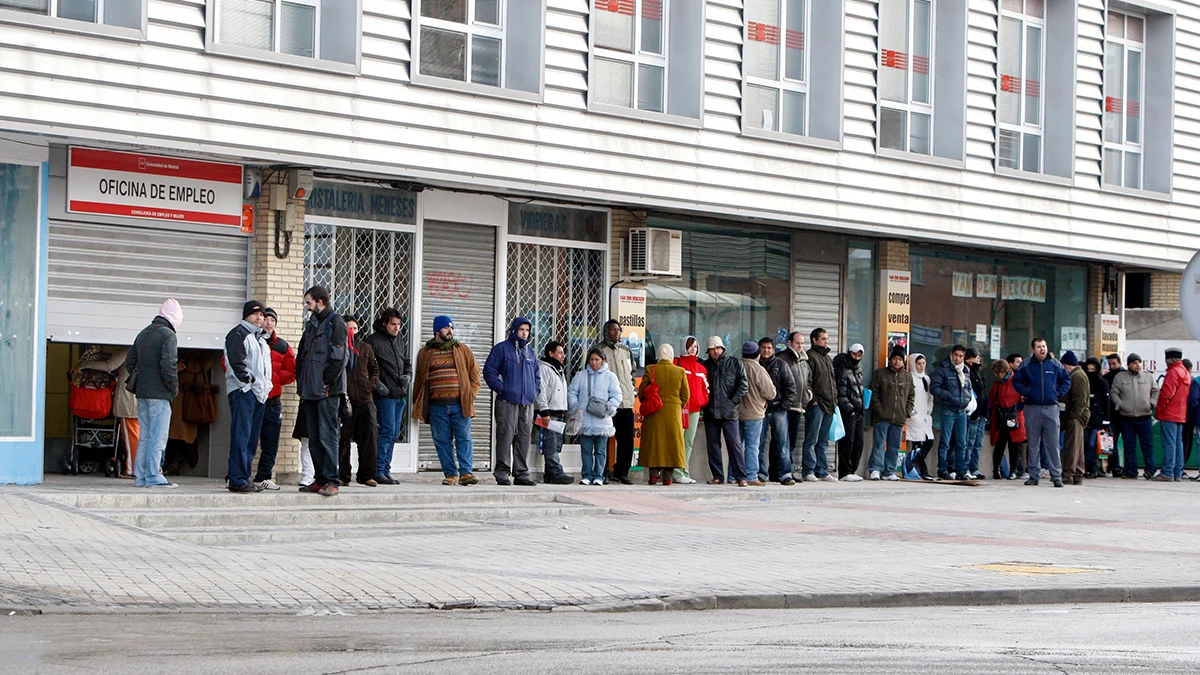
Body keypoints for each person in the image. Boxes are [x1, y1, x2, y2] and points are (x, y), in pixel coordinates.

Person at [413, 315, 482, 486]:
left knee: (464, 438)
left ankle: (466, 472)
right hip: (437, 407)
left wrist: (470, 395)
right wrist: (418, 402)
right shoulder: (425, 353)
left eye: (451, 328)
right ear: (437, 331)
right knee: (442, 441)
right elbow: (420, 379)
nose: (450, 331)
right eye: (446, 328)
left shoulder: (462, 349)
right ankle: (451, 474)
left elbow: (475, 375)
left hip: (460, 405)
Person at [296, 286, 348, 497]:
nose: (307, 307)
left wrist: (327, 383)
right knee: (314, 437)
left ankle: (331, 481)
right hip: (309, 391)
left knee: (328, 436)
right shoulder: (312, 324)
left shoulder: (335, 322)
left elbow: (338, 358)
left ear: (319, 301)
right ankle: (319, 479)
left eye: (309, 303)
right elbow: (302, 355)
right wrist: (302, 383)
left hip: (326, 392)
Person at [123, 298, 182, 488]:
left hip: (142, 393)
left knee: (145, 436)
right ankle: (154, 476)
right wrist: (173, 389)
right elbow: (169, 365)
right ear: (175, 317)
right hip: (160, 394)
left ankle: (140, 478)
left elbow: (130, 362)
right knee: (158, 437)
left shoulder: (144, 333)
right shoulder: (168, 335)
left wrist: (144, 379)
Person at [484, 317, 541, 487]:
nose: (525, 333)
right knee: (505, 436)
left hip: (527, 402)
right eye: (522, 329)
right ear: (514, 330)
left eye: (527, 330)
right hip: (507, 401)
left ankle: (521, 473)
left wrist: (534, 391)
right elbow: (489, 371)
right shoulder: (501, 349)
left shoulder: (530, 352)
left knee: (523, 438)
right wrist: (502, 388)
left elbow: (537, 376)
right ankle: (502, 471)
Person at [223, 300, 272, 493]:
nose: (260, 318)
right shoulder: (239, 334)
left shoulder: (260, 338)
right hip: (244, 392)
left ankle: (244, 477)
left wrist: (265, 387)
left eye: (262, 314)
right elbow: (236, 362)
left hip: (259, 394)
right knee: (241, 436)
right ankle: (237, 478)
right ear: (246, 315)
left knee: (251, 438)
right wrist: (248, 382)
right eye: (255, 314)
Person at [1012, 337, 1071, 488]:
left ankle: (1056, 475)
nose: (1042, 349)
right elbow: (1016, 381)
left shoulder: (1055, 364)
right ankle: (1034, 475)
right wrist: (1028, 392)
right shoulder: (1026, 365)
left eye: (1044, 346)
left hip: (1051, 408)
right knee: (1033, 442)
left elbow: (1066, 380)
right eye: (1038, 347)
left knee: (1053, 443)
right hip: (1032, 407)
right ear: (1033, 349)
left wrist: (1057, 393)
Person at [74, 346, 137, 478]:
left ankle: (133, 470)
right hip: (142, 398)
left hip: (129, 399)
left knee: (131, 436)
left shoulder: (129, 348)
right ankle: (146, 468)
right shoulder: (149, 347)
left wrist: (83, 365)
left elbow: (109, 366)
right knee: (142, 436)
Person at [366, 307, 410, 485]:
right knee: (386, 431)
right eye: (393, 324)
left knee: (392, 434)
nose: (396, 328)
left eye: (399, 325)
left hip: (400, 393)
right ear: (384, 323)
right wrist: (377, 385)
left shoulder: (399, 340)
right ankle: (378, 470)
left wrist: (408, 375)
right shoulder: (373, 341)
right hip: (384, 395)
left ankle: (386, 469)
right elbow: (367, 368)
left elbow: (406, 361)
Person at [253, 308, 295, 491]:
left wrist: (275, 378)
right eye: (266, 319)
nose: (269, 323)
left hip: (273, 400)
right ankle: (237, 475)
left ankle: (264, 476)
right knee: (247, 438)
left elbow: (292, 370)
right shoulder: (251, 341)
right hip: (254, 399)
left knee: (270, 442)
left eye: (272, 320)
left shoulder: (282, 346)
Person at [568, 347, 623, 485]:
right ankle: (586, 474)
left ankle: (599, 475)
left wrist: (609, 407)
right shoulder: (581, 375)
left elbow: (617, 395)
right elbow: (572, 392)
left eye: (597, 360)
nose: (594, 362)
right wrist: (575, 407)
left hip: (602, 420)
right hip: (584, 419)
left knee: (600, 450)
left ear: (603, 360)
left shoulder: (610, 377)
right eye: (591, 359)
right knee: (586, 450)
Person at [638, 343, 690, 485]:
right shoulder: (680, 371)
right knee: (671, 443)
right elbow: (686, 395)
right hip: (673, 413)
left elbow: (641, 392)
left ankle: (653, 475)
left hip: (654, 411)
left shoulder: (651, 369)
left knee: (654, 443)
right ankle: (668, 477)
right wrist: (677, 406)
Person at [338, 316, 380, 488]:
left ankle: (367, 475)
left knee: (369, 439)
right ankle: (343, 475)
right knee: (343, 440)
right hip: (346, 400)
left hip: (365, 399)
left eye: (354, 328)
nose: (352, 331)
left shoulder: (365, 348)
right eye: (348, 328)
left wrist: (369, 386)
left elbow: (375, 369)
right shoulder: (338, 347)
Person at [702, 336, 749, 486]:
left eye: (718, 348)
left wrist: (733, 402)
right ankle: (718, 476)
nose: (716, 351)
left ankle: (741, 476)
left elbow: (743, 385)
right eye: (712, 349)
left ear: (723, 349)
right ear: (708, 351)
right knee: (713, 445)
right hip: (711, 411)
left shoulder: (735, 363)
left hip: (730, 412)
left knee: (734, 445)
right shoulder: (706, 365)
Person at [598, 320, 637, 485]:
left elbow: (632, 372)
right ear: (607, 331)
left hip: (626, 402)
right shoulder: (600, 350)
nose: (617, 332)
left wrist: (632, 388)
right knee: (604, 438)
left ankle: (622, 471)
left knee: (627, 440)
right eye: (613, 329)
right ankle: (603, 470)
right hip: (607, 403)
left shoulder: (625, 351)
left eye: (619, 330)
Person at [1110, 353, 1159, 479]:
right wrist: (1120, 404)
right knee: (1129, 445)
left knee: (1147, 445)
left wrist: (1152, 403)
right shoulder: (1120, 377)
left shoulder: (1148, 376)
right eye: (1134, 363)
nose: (1137, 365)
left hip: (1145, 416)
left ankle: (1150, 469)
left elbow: (1155, 391)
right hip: (1127, 417)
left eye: (1139, 362)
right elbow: (1114, 392)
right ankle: (1130, 470)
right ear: (1129, 365)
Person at [930, 345, 974, 481]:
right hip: (948, 409)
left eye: (961, 356)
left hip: (961, 410)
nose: (958, 358)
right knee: (945, 442)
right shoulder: (943, 369)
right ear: (951, 354)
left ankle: (961, 470)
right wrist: (949, 396)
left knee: (962, 443)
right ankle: (942, 469)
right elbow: (934, 388)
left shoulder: (965, 370)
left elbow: (968, 388)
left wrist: (966, 400)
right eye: (956, 355)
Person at [868, 346, 913, 481]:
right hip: (882, 417)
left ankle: (889, 471)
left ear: (903, 361)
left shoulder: (907, 376)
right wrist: (879, 410)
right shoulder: (880, 374)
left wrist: (907, 412)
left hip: (899, 418)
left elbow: (911, 396)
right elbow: (873, 393)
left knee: (894, 446)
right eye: (894, 358)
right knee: (879, 444)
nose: (896, 361)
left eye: (899, 359)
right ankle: (875, 469)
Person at [535, 341, 575, 485]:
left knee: (556, 444)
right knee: (550, 444)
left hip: (559, 413)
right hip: (549, 413)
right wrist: (544, 411)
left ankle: (550, 473)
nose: (563, 356)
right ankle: (555, 472)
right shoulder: (544, 368)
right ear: (551, 353)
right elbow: (541, 391)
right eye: (560, 352)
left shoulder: (558, 369)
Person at [757, 337, 796, 484]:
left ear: (773, 350)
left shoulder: (781, 364)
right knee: (759, 443)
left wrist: (784, 406)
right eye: (763, 347)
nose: (766, 350)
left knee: (782, 443)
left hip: (778, 409)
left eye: (769, 348)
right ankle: (760, 474)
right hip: (760, 410)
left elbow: (790, 387)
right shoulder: (756, 365)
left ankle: (785, 474)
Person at [738, 341, 777, 487]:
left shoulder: (736, 366)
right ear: (757, 354)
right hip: (754, 414)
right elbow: (770, 393)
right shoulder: (758, 369)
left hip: (736, 413)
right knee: (752, 446)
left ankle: (733, 475)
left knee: (737, 446)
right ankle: (751, 476)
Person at [802, 328, 838, 482]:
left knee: (823, 440)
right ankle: (808, 470)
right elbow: (807, 381)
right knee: (812, 439)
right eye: (823, 339)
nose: (826, 342)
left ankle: (822, 470)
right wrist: (813, 400)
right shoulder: (810, 356)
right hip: (817, 405)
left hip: (829, 404)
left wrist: (835, 400)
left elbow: (832, 381)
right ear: (814, 340)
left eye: (827, 339)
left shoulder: (827, 358)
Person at [674, 336, 709, 484]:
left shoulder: (701, 368)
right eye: (690, 346)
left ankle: (684, 470)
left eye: (695, 346)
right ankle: (676, 472)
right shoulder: (677, 363)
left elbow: (706, 389)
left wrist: (702, 400)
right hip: (680, 408)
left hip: (695, 410)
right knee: (678, 440)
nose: (693, 348)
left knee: (688, 441)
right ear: (684, 346)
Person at [778, 331, 812, 482]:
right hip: (786, 406)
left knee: (792, 441)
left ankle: (788, 471)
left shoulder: (804, 360)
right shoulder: (782, 358)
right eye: (798, 343)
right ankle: (779, 472)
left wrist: (808, 395)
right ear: (790, 343)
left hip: (799, 406)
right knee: (781, 442)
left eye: (802, 343)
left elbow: (808, 380)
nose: (800, 346)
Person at [1154, 347, 1191, 482]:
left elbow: (1166, 394)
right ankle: (1177, 472)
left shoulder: (1173, 373)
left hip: (1169, 413)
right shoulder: (1185, 372)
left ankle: (1167, 472)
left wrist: (1159, 410)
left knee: (1169, 443)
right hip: (1181, 412)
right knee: (1178, 443)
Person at [833, 343, 867, 481]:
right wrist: (849, 409)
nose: (856, 357)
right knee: (847, 442)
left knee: (859, 442)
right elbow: (840, 392)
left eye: (859, 355)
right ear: (849, 353)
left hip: (859, 411)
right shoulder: (841, 369)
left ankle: (852, 470)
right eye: (854, 354)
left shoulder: (858, 369)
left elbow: (860, 389)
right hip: (848, 412)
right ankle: (844, 471)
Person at [989, 359, 1026, 480]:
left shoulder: (1016, 381)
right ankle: (996, 470)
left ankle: (1013, 471)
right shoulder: (997, 384)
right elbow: (992, 399)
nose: (996, 375)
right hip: (1002, 417)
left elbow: (1024, 397)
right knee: (999, 446)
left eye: (997, 373)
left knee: (1014, 446)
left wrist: (1021, 405)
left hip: (1014, 416)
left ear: (1003, 372)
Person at [1058, 351, 1090, 486]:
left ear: (1066, 365)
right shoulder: (1079, 375)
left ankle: (1068, 474)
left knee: (1071, 447)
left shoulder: (1077, 377)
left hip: (1076, 417)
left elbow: (1080, 400)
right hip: (1078, 416)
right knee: (1078, 448)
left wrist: (1073, 417)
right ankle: (1077, 474)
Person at [904, 353, 935, 480]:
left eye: (923, 363)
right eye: (918, 363)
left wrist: (928, 411)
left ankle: (917, 467)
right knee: (917, 444)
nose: (921, 366)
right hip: (914, 416)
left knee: (929, 441)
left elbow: (930, 397)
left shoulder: (926, 379)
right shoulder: (909, 378)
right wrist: (912, 413)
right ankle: (918, 470)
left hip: (925, 416)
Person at [1083, 357, 1110, 479]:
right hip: (1086, 418)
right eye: (1088, 369)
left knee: (1092, 444)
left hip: (1097, 419)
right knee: (1086, 444)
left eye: (1093, 369)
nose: (1090, 371)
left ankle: (1093, 467)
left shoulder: (1102, 382)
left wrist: (1106, 419)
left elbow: (1106, 401)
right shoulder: (1084, 382)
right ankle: (1089, 467)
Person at [963, 349, 988, 480]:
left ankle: (974, 468)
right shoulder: (968, 372)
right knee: (969, 442)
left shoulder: (979, 373)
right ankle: (966, 468)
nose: (978, 359)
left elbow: (983, 393)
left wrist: (985, 413)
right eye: (975, 357)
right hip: (973, 413)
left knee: (978, 444)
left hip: (981, 414)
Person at [1103, 353, 1126, 477]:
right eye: (1110, 364)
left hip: (1124, 413)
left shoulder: (1125, 375)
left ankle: (1125, 466)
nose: (1112, 366)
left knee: (1127, 442)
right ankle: (1115, 466)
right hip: (1112, 414)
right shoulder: (1107, 378)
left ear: (1119, 363)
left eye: (1114, 364)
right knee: (1112, 442)